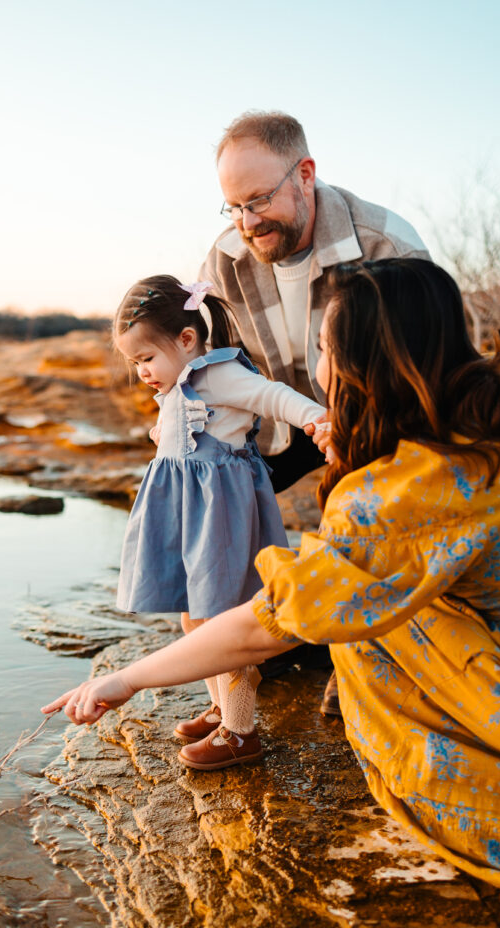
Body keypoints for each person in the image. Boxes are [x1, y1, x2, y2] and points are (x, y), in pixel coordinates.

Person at [43, 259, 500, 893]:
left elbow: (273, 622)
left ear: (367, 362)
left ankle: (263, 731)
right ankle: (225, 709)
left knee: (357, 634)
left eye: (326, 348)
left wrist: (127, 679)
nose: (317, 367)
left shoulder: (403, 498)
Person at [202, 110, 432, 708]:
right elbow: (206, 358)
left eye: (259, 200)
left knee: (367, 505)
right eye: (233, 207)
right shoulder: (226, 257)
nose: (247, 223)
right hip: (278, 421)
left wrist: (349, 436)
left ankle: (363, 653)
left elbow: (424, 380)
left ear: (304, 174)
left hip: (379, 419)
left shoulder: (388, 246)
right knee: (206, 493)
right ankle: (248, 660)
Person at [109, 273, 327, 769]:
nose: (142, 371)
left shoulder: (219, 375)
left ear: (187, 340)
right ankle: (224, 702)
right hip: (187, 513)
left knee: (219, 616)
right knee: (192, 614)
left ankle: (240, 731)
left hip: (220, 516)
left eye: (146, 358)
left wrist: (317, 418)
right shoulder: (176, 383)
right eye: (134, 362)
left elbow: (273, 396)